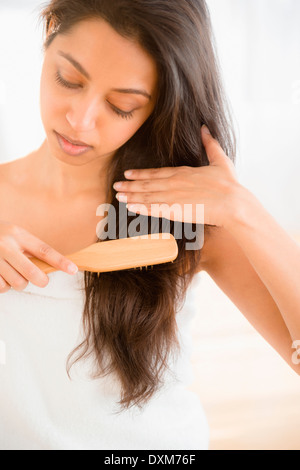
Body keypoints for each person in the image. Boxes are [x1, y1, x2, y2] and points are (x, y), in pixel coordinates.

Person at [0, 0, 299, 451]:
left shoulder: (183, 217)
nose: (79, 120)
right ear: (51, 30)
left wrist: (244, 211)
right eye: (69, 79)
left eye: (121, 106)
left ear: (158, 108)